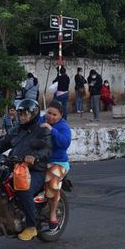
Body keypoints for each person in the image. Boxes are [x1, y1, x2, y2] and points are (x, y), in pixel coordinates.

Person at [0, 99, 52, 241]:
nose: (22, 117)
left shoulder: (42, 130)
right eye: (20, 113)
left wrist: (34, 157)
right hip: (14, 166)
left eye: (25, 114)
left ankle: (31, 227)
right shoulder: (15, 130)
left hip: (35, 170)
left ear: (33, 114)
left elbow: (46, 149)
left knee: (23, 189)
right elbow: (2, 144)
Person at [38, 100, 71, 233]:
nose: (50, 116)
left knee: (52, 181)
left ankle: (53, 214)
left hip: (58, 162)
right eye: (49, 113)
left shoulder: (63, 127)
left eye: (54, 115)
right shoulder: (40, 120)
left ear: (60, 116)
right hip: (40, 160)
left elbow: (64, 143)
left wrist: (52, 130)